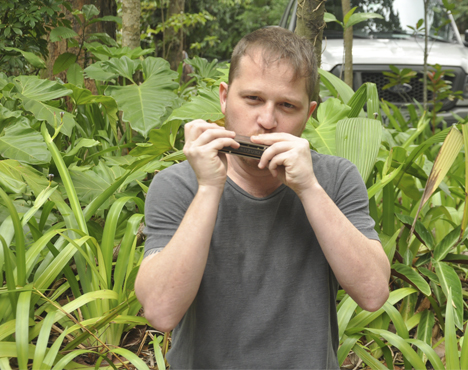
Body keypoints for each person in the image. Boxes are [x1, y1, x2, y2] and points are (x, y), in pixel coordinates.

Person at [135, 27, 390, 369]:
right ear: (225, 97)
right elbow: (161, 311)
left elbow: (373, 293)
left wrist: (309, 189)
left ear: (309, 113)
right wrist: (210, 187)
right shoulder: (177, 185)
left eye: (287, 105)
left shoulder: (336, 179)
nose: (267, 121)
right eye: (252, 99)